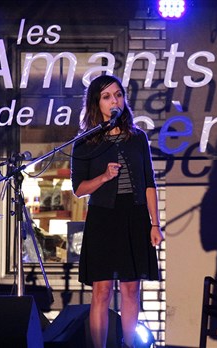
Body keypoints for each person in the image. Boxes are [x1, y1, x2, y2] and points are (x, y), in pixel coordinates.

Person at [71, 75, 163, 348]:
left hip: (134, 216)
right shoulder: (86, 142)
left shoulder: (137, 138)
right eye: (107, 96)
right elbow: (79, 188)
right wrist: (103, 178)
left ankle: (129, 345)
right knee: (101, 290)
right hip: (103, 217)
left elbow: (148, 183)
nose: (115, 101)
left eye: (118, 95)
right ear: (96, 103)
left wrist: (154, 224)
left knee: (131, 288)